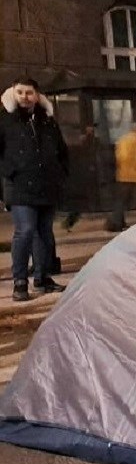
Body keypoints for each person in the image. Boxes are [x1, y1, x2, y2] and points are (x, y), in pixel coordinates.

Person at [0, 77, 68, 302]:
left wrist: (61, 174)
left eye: (29, 93)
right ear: (13, 94)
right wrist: (10, 171)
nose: (25, 97)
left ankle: (42, 278)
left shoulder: (48, 121)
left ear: (37, 95)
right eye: (20, 92)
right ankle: (20, 281)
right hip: (19, 186)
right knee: (26, 230)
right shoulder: (5, 120)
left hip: (47, 185)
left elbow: (61, 150)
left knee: (44, 234)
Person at [107, 122, 136, 232]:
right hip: (129, 175)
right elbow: (129, 157)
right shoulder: (134, 140)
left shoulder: (124, 139)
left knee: (123, 200)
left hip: (125, 175)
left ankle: (119, 222)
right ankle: (116, 222)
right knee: (122, 201)